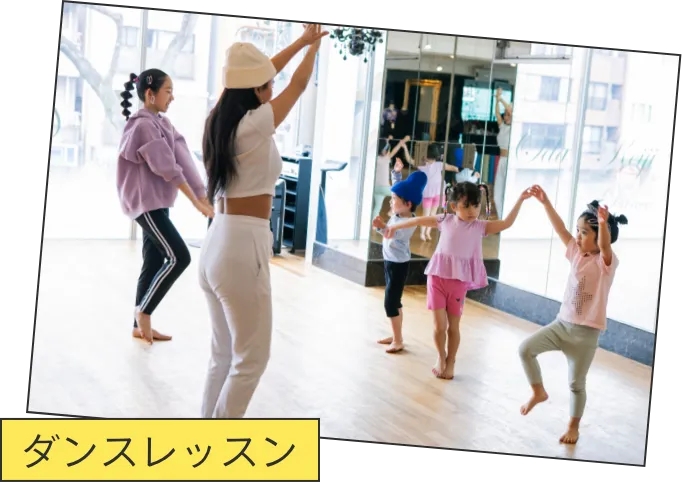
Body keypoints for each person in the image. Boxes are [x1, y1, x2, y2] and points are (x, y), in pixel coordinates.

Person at [198, 25, 328, 419]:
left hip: (218, 242)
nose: (272, 85)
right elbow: (298, 85)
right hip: (241, 246)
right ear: (255, 89)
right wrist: (313, 48)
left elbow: (260, 75)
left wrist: (302, 41)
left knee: (224, 355)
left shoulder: (220, 120)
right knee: (252, 358)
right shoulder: (254, 123)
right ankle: (218, 443)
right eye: (266, 83)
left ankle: (202, 437)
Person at [385, 182, 532, 378]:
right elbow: (418, 220)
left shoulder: (480, 226)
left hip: (458, 283)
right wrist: (394, 227)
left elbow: (506, 223)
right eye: (466, 206)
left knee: (453, 327)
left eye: (476, 206)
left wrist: (520, 200)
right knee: (439, 327)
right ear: (454, 206)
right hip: (437, 278)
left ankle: (451, 360)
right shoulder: (444, 220)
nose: (472, 211)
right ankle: (441, 356)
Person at [518, 186, 628, 444]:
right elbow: (560, 230)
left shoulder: (606, 263)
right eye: (578, 230)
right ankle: (538, 391)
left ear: (601, 237)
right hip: (561, 326)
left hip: (585, 337)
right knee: (525, 349)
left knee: (576, 385)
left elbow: (604, 245)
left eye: (584, 232)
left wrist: (603, 223)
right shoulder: (577, 253)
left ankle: (573, 426)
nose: (577, 237)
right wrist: (546, 203)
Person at [118, 69, 214, 344]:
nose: (172, 97)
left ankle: (138, 326)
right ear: (150, 94)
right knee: (179, 256)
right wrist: (195, 201)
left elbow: (183, 158)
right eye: (168, 91)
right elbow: (168, 168)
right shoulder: (143, 126)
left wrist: (202, 194)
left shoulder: (164, 124)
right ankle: (143, 311)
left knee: (154, 260)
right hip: (144, 203)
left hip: (157, 202)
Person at [373, 170, 428, 353]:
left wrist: (382, 227)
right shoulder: (399, 214)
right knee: (395, 301)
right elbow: (389, 231)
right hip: (390, 261)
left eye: (394, 199)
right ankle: (396, 336)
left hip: (398, 265)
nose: (391, 202)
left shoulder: (409, 222)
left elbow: (392, 233)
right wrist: (396, 174)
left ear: (408, 204)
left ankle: (398, 340)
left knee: (390, 302)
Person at [399, 142, 460, 241]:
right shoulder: (439, 164)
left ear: (426, 155)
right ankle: (426, 232)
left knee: (427, 215)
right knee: (432, 215)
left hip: (432, 194)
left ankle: (425, 233)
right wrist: (459, 170)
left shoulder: (423, 165)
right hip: (436, 193)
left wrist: (405, 148)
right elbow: (453, 168)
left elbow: (409, 160)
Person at [494, 88, 513, 217]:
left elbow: (511, 111)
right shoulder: (502, 126)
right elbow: (497, 113)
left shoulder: (514, 128)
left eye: (508, 115)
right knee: (497, 194)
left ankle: (507, 218)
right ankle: (501, 218)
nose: (506, 116)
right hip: (502, 160)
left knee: (507, 192)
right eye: (505, 114)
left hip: (510, 162)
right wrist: (497, 100)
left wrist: (501, 99)